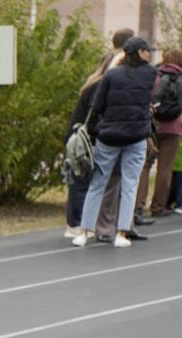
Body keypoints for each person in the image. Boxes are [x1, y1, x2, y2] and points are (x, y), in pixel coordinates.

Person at [75, 36, 158, 248]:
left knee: (97, 185)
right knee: (130, 186)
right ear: (140, 53)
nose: (150, 54)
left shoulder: (111, 76)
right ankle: (121, 234)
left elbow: (98, 106)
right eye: (147, 50)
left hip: (109, 137)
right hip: (137, 137)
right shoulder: (150, 74)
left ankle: (84, 232)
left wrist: (93, 131)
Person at [64, 52, 116, 239]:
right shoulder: (100, 86)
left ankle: (76, 223)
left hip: (79, 134)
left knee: (80, 179)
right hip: (85, 137)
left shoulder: (94, 82)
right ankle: (76, 224)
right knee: (82, 180)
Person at [146, 49, 182, 215]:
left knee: (145, 167)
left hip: (152, 126)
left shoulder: (154, 75)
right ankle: (158, 206)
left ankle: (138, 205)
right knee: (165, 169)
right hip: (173, 127)